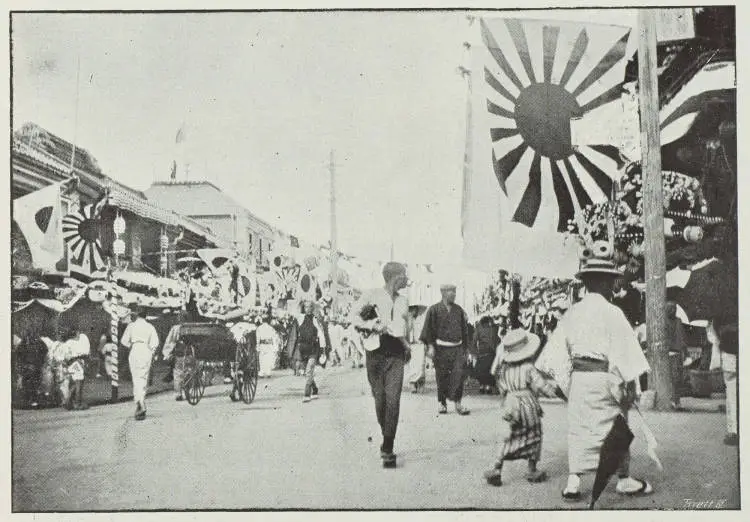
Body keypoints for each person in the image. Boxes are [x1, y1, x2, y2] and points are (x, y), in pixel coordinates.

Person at [536, 258, 652, 500]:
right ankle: (623, 479)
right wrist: (629, 383)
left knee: (580, 429)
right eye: (611, 281)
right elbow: (625, 352)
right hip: (605, 378)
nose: (613, 286)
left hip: (579, 379)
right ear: (603, 282)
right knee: (615, 426)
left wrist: (566, 380)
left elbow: (558, 350)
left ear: (587, 283)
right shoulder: (613, 312)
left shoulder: (573, 313)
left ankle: (574, 482)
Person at [484, 328, 563, 486]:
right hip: (528, 405)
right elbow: (541, 386)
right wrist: (555, 393)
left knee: (509, 437)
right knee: (534, 435)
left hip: (511, 405)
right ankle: (532, 469)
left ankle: (497, 468)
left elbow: (502, 388)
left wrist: (507, 399)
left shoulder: (504, 370)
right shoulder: (529, 368)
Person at [350, 262, 411, 467]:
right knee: (380, 400)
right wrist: (373, 325)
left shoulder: (404, 301)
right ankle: (386, 433)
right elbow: (354, 316)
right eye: (404, 276)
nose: (407, 279)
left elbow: (403, 328)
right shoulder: (371, 295)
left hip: (396, 354)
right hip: (375, 352)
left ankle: (388, 446)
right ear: (395, 277)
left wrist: (407, 345)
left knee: (393, 399)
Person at [420, 283, 471, 415]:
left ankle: (458, 404)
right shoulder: (433, 310)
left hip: (457, 348)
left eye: (455, 291)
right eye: (450, 291)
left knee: (459, 375)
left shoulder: (459, 310)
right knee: (442, 376)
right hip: (441, 348)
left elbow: (465, 331)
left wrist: (466, 349)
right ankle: (442, 403)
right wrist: (430, 346)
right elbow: (428, 329)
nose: (454, 294)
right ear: (443, 293)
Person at [120, 306, 160, 420]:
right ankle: (141, 402)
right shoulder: (150, 326)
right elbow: (155, 343)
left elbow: (124, 342)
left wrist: (131, 346)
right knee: (143, 377)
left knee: (136, 377)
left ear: (137, 315)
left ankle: (139, 402)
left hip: (135, 349)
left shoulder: (131, 326)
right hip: (145, 350)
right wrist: (151, 353)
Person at [709, 317, 738, 446]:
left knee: (732, 394)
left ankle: (734, 430)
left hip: (729, 354)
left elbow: (714, 337)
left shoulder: (719, 313)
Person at [295, 300, 326, 402]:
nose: (308, 309)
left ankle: (307, 393)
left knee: (309, 370)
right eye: (306, 307)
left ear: (312, 308)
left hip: (313, 349)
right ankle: (315, 389)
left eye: (309, 307)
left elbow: (321, 335)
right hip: (303, 349)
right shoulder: (300, 319)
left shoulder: (316, 319)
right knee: (307, 372)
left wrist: (323, 350)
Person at [472, 314, 500, 394]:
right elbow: (497, 340)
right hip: (491, 352)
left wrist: (475, 352)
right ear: (489, 321)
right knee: (489, 370)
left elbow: (474, 341)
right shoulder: (493, 328)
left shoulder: (478, 329)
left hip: (482, 352)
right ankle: (488, 387)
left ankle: (481, 386)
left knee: (481, 370)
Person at [406, 305, 427, 393]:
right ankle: (412, 382)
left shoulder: (421, 319)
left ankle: (421, 381)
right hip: (411, 345)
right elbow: (407, 331)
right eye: (411, 310)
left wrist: (425, 343)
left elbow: (424, 332)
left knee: (421, 363)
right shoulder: (408, 319)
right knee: (413, 364)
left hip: (420, 344)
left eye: (414, 309)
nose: (413, 311)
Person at [256, 314, 280, 378]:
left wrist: (257, 346)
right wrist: (275, 347)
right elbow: (274, 338)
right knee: (268, 358)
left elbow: (258, 339)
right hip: (269, 345)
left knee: (262, 358)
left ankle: (262, 372)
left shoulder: (259, 328)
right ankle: (268, 372)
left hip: (262, 345)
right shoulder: (271, 328)